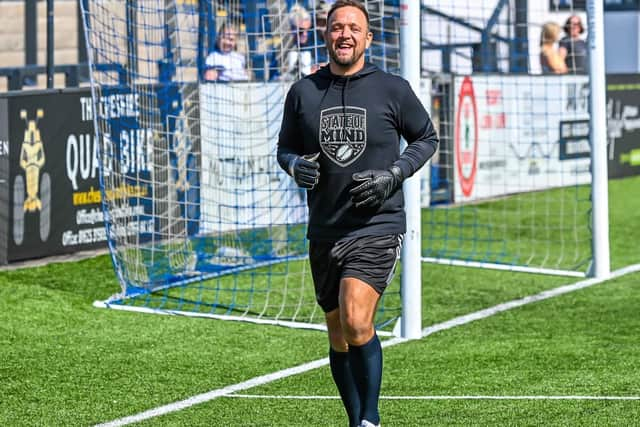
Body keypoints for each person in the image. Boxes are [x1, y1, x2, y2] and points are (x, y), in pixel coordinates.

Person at [276, 1, 438, 426]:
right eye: (336, 27)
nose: (344, 34)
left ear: (368, 38)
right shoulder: (303, 92)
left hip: (377, 225)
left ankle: (370, 419)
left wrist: (394, 174)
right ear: (325, 35)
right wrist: (295, 165)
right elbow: (284, 148)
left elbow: (426, 137)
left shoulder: (392, 89)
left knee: (356, 319)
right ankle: (355, 420)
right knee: (338, 333)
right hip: (325, 228)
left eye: (353, 28)